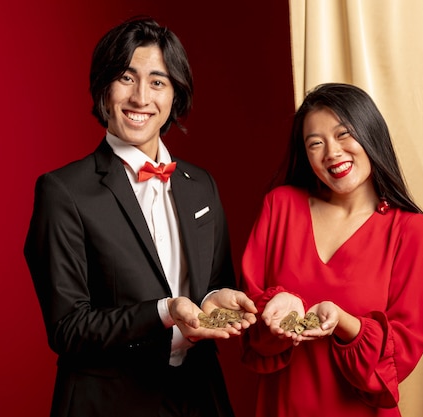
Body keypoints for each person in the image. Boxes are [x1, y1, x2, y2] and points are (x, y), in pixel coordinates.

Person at [23, 16, 257, 417]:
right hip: (107, 402)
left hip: (200, 397)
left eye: (157, 82)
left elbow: (213, 285)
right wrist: (166, 312)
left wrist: (217, 298)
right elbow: (68, 328)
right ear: (103, 87)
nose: (140, 97)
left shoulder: (201, 185)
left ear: (174, 94)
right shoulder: (63, 191)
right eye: (126, 78)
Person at [239, 83, 423, 417]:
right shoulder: (280, 206)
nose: (331, 152)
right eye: (315, 143)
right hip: (281, 408)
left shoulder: (409, 229)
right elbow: (249, 327)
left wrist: (345, 323)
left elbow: (401, 353)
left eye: (344, 134)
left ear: (371, 134)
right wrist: (275, 306)